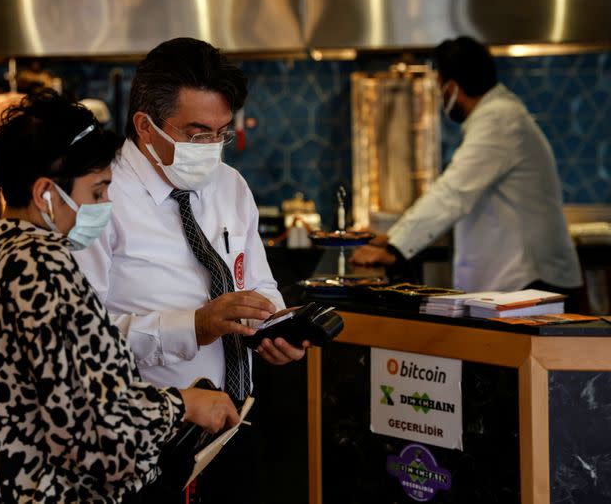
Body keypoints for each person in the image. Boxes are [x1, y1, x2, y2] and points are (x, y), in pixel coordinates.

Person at [0, 90, 240, 504]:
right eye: (98, 192)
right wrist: (182, 406)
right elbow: (88, 426)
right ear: (45, 195)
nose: (105, 205)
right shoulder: (44, 267)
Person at [75, 38, 308, 503]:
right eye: (198, 134)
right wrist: (192, 327)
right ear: (145, 125)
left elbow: (257, 281)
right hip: (145, 439)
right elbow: (81, 341)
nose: (212, 148)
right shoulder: (97, 198)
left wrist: (276, 324)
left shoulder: (230, 186)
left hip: (234, 427)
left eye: (221, 134)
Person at [351, 36, 582, 302]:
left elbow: (453, 191)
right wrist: (392, 237)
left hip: (535, 284)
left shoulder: (500, 120)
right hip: (525, 282)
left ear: (451, 88)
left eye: (439, 88)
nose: (440, 96)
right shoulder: (501, 115)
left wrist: (394, 247)